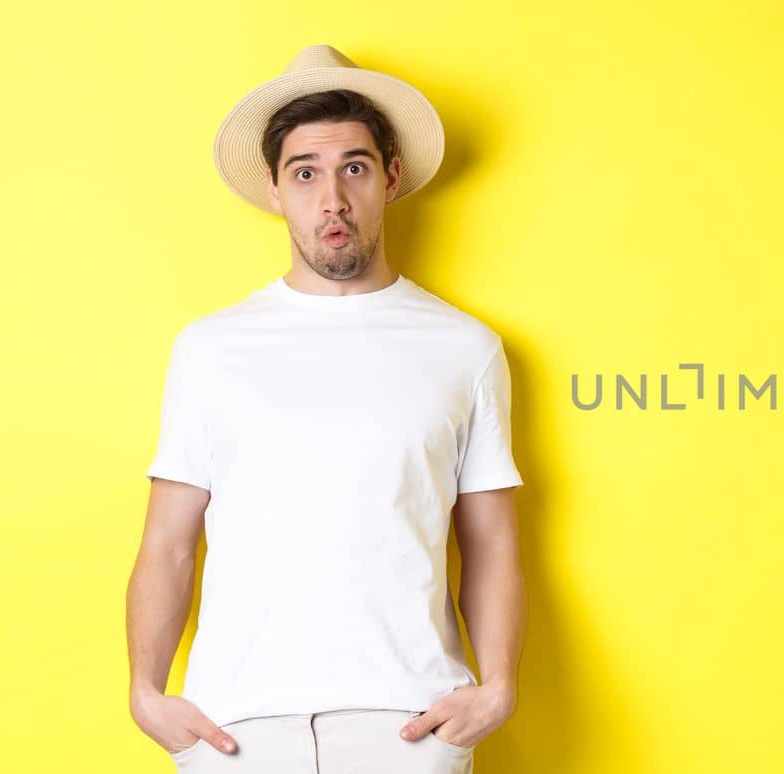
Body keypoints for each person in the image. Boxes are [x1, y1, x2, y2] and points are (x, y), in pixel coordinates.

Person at [125, 45, 526, 774]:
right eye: (305, 173)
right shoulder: (210, 348)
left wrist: (496, 690)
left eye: (355, 168)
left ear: (390, 178)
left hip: (411, 721)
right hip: (234, 728)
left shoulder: (465, 347)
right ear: (276, 190)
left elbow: (492, 541)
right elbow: (168, 542)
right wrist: (147, 694)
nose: (332, 200)